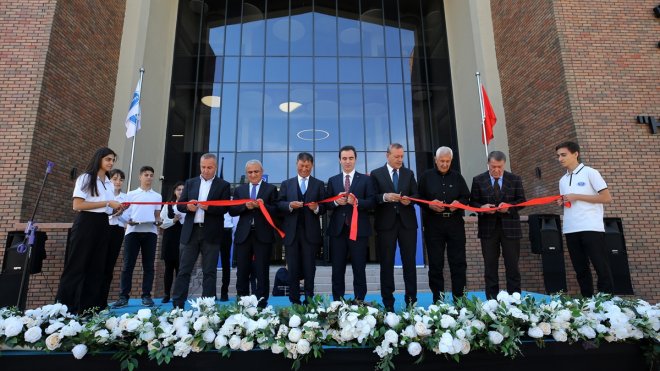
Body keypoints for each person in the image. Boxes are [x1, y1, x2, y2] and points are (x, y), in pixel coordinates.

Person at [56, 147, 122, 314]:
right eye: (108, 159)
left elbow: (106, 207)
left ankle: (89, 308)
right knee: (77, 265)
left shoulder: (108, 181)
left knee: (97, 268)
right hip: (86, 223)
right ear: (99, 159)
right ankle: (65, 308)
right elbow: (77, 205)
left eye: (113, 160)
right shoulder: (86, 178)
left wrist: (116, 209)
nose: (111, 163)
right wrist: (107, 203)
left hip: (103, 224)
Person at [172, 153, 230, 308]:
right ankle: (177, 305)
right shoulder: (190, 183)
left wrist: (208, 207)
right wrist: (187, 206)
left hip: (211, 233)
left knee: (209, 272)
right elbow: (179, 205)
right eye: (203, 167)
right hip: (191, 232)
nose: (205, 170)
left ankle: (207, 307)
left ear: (215, 167)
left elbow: (225, 208)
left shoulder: (223, 185)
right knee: (184, 270)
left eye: (209, 167)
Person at [556, 141, 613, 297]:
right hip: (570, 228)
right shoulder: (562, 180)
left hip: (591, 227)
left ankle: (606, 301)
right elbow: (570, 204)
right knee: (580, 268)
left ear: (575, 154)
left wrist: (576, 196)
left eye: (563, 155)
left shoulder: (590, 173)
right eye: (558, 156)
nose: (560, 159)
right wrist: (564, 202)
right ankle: (587, 300)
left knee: (600, 265)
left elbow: (606, 198)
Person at [469, 151, 526, 299]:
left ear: (504, 164)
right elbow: (473, 202)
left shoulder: (514, 179)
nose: (496, 170)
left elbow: (521, 201)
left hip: (511, 229)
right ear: (488, 164)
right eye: (493, 166)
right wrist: (482, 208)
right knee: (490, 267)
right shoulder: (478, 180)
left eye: (499, 167)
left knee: (512, 266)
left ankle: (515, 300)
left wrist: (510, 206)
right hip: (488, 229)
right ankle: (492, 300)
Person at [370, 143, 419, 311]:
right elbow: (372, 198)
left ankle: (411, 302)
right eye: (396, 156)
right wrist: (384, 197)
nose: (400, 159)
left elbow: (416, 194)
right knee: (387, 264)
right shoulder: (376, 174)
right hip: (386, 225)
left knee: (410, 264)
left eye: (402, 156)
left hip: (407, 224)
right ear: (387, 156)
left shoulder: (409, 173)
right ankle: (388, 304)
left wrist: (410, 199)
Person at [418, 146, 470, 302]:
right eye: (442, 161)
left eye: (447, 161)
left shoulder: (458, 177)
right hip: (434, 224)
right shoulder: (426, 177)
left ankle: (459, 299)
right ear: (435, 160)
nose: (445, 164)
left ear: (451, 161)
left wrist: (459, 203)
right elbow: (418, 197)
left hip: (455, 224)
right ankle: (438, 300)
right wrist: (429, 204)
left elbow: (466, 197)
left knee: (458, 262)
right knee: (435, 263)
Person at [326, 145, 376, 302]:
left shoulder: (367, 180)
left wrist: (357, 201)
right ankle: (337, 302)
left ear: (355, 159)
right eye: (344, 158)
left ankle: (359, 300)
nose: (347, 161)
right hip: (338, 231)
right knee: (337, 269)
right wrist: (335, 202)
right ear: (339, 160)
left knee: (359, 268)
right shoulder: (332, 180)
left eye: (351, 158)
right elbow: (326, 204)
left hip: (358, 232)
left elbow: (373, 202)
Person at [277, 152, 326, 305]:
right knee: (293, 269)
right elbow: (279, 204)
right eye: (302, 165)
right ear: (297, 164)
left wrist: (317, 207)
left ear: (312, 166)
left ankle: (309, 300)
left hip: (310, 235)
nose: (304, 168)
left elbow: (325, 207)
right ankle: (295, 301)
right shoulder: (286, 183)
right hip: (292, 234)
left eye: (307, 166)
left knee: (310, 269)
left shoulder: (318, 184)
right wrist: (290, 205)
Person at [229, 160, 278, 308]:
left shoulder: (270, 189)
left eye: (256, 171)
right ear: (247, 174)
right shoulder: (240, 190)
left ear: (261, 172)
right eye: (250, 172)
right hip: (243, 235)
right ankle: (242, 302)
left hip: (263, 235)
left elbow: (276, 210)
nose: (253, 174)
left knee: (262, 270)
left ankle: (262, 303)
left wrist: (264, 206)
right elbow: (232, 210)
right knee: (242, 271)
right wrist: (245, 206)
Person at [111, 166, 162, 308]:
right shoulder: (131, 194)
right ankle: (123, 297)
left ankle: (146, 296)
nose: (149, 177)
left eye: (151, 175)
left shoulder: (157, 196)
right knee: (128, 265)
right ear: (140, 177)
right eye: (146, 174)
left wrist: (158, 221)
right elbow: (126, 213)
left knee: (149, 266)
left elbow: (157, 215)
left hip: (150, 232)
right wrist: (129, 221)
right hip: (132, 232)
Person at [101, 169, 128, 305]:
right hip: (104, 229)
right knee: (100, 263)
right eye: (115, 179)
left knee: (110, 265)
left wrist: (120, 214)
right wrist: (112, 213)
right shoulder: (104, 194)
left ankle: (103, 300)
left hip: (117, 230)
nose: (118, 182)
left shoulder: (125, 197)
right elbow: (101, 213)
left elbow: (127, 219)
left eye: (121, 179)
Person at [159, 181, 185, 304]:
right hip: (169, 240)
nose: (180, 191)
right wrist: (173, 220)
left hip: (183, 239)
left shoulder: (188, 205)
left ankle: (178, 294)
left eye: (183, 189)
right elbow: (162, 223)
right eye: (178, 189)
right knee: (168, 269)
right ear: (174, 191)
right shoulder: (167, 205)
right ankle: (166, 294)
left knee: (181, 269)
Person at [219, 212, 235, 301]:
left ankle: (224, 292)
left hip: (226, 230)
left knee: (226, 263)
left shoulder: (231, 198)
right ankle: (211, 292)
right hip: (213, 229)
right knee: (210, 263)